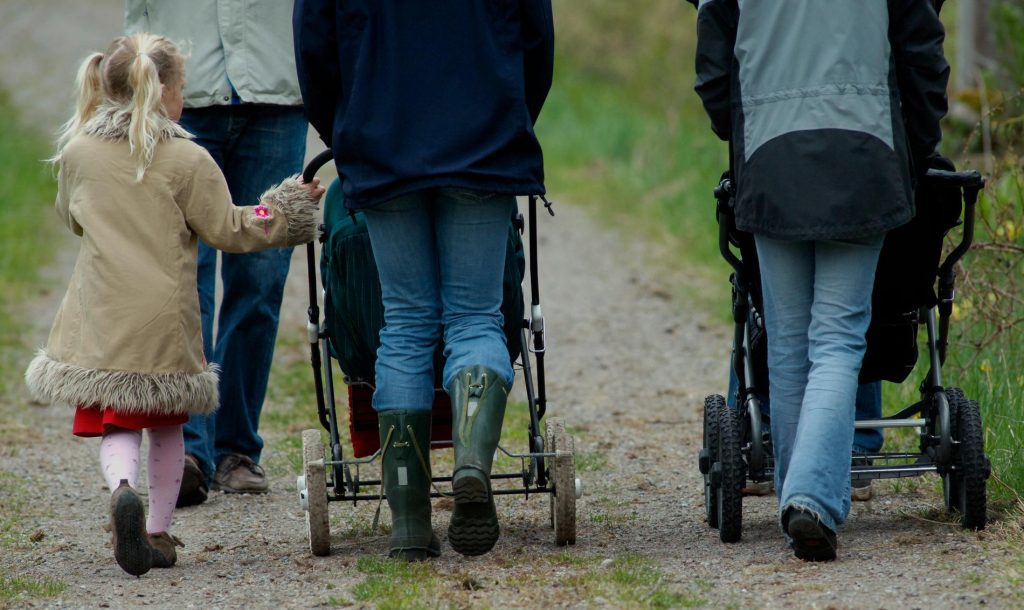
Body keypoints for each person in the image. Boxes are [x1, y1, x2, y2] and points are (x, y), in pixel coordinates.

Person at [24, 33, 323, 576]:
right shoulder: (187, 158)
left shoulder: (79, 152)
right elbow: (230, 228)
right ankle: (158, 533)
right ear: (163, 91)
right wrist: (284, 207)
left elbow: (72, 218)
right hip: (163, 319)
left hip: (102, 313)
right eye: (183, 86)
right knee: (165, 428)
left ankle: (122, 489)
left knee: (117, 423)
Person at [294, 0, 554, 560]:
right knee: (475, 317)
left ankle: (410, 522)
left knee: (407, 323)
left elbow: (314, 48)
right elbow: (535, 38)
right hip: (485, 136)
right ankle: (470, 465)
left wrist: (349, 128)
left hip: (381, 139)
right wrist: (509, 114)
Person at [695, 0, 948, 560]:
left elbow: (713, 66)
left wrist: (741, 132)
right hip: (864, 154)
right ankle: (809, 500)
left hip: (770, 157)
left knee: (787, 345)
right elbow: (922, 55)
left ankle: (799, 504)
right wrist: (915, 148)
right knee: (837, 339)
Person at [124, 1, 310, 506]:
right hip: (179, 101)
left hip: (276, 97)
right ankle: (188, 450)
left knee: (260, 281)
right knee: (183, 283)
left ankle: (236, 449)